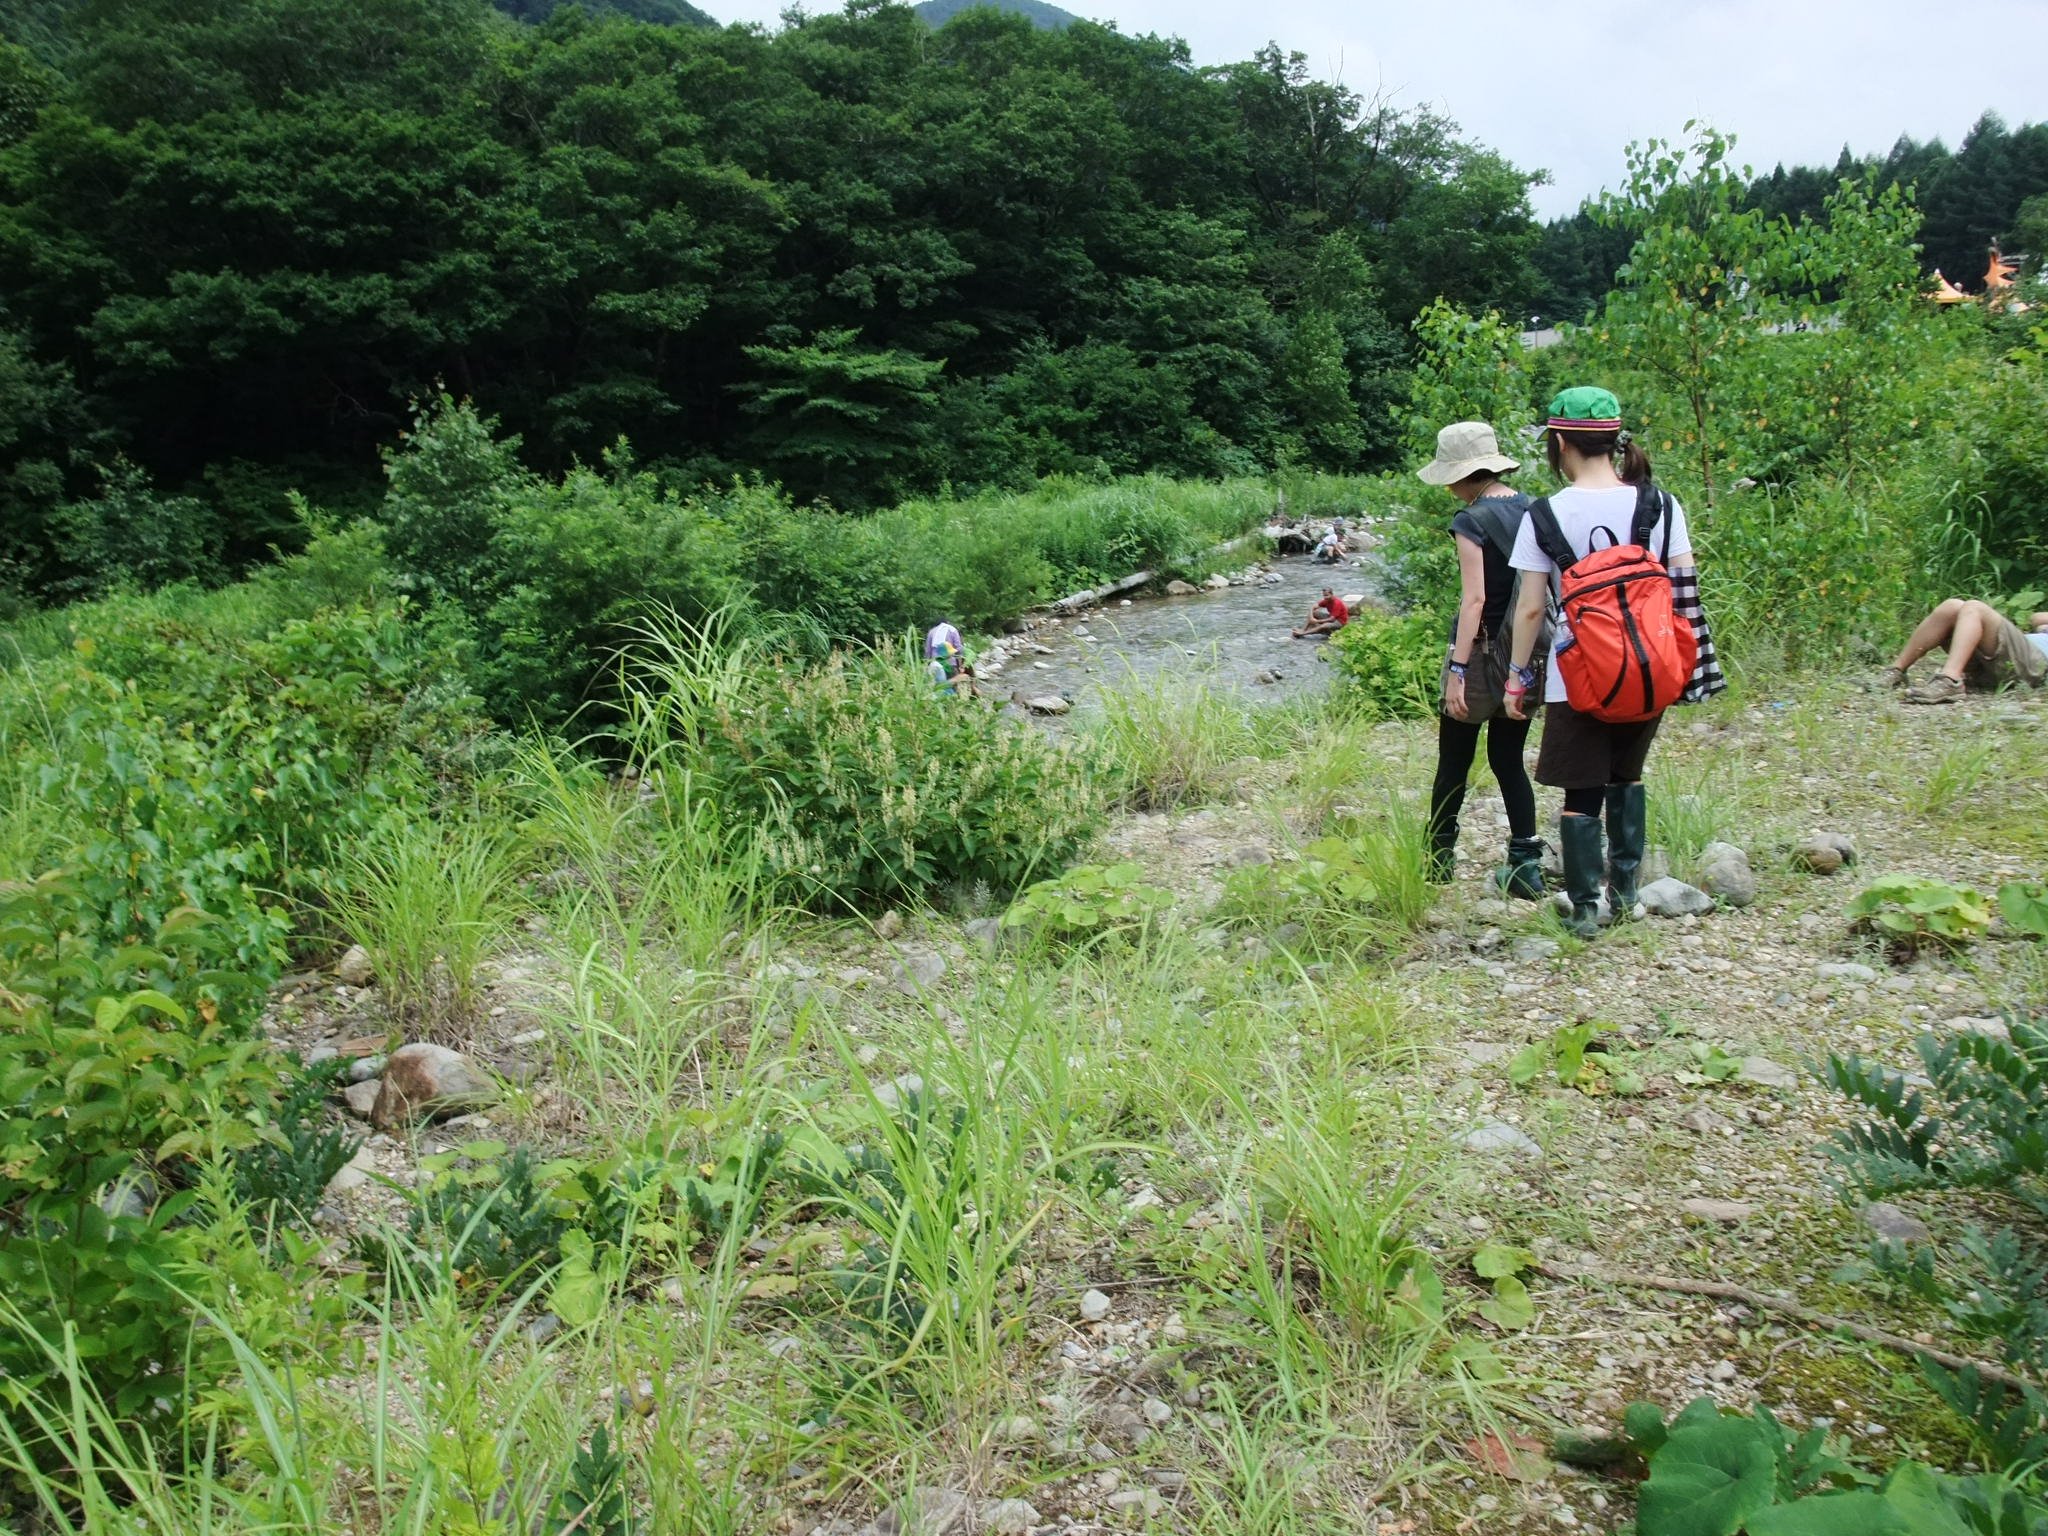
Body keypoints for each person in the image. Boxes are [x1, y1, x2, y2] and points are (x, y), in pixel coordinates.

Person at [1503, 386, 1722, 938]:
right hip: (1650, 670)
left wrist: (1516, 676)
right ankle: (1624, 896)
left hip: (1577, 678)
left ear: (1559, 443)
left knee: (1582, 793)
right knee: (1627, 778)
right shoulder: (1661, 505)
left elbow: (1531, 609)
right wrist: (1690, 672)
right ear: (1615, 439)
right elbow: (1685, 591)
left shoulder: (1544, 514)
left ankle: (1583, 911)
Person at [1414, 421, 1545, 896]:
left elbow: (1474, 600)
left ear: (1467, 474)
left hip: (1480, 653)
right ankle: (1526, 865)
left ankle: (1437, 862)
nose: (1447, 485)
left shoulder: (1470, 521)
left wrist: (1457, 670)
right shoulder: (1532, 509)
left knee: (1453, 761)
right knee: (1508, 758)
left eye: (1450, 474)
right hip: (1522, 654)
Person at [1881, 600, 2048, 703]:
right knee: (1951, 607)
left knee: (1975, 608)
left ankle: (1950, 680)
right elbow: (2036, 618)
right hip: (2013, 655)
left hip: (2035, 665)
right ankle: (1896, 671)